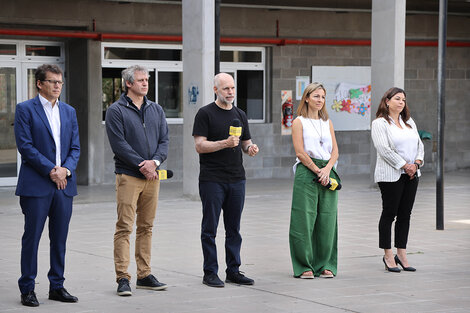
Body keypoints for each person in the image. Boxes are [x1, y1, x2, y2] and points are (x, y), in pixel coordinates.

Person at [14, 64, 80, 307]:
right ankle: (27, 288)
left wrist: (66, 170)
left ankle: (57, 286)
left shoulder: (69, 111)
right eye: (52, 81)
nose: (57, 86)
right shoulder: (25, 110)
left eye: (60, 82)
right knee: (32, 238)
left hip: (64, 185)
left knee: (59, 238)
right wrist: (52, 171)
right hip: (36, 185)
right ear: (39, 84)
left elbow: (75, 147)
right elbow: (25, 146)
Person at [105, 65, 169, 296]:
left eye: (147, 80)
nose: (145, 83)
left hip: (153, 176)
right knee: (124, 227)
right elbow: (119, 145)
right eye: (140, 80)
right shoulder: (116, 111)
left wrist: (155, 162)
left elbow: (164, 140)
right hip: (128, 176)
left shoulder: (156, 109)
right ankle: (123, 277)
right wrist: (143, 165)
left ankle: (144, 275)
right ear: (128, 84)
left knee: (146, 227)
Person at [192, 73, 259, 288]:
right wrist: (225, 143)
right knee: (209, 228)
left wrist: (250, 148)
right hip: (212, 179)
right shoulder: (205, 114)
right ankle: (210, 272)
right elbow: (200, 146)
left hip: (237, 179)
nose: (230, 92)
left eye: (232, 88)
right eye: (225, 89)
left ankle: (234, 270)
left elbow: (245, 142)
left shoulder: (240, 114)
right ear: (215, 90)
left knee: (234, 229)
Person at [289, 82, 340, 279]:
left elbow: (335, 151)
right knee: (304, 219)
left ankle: (326, 264)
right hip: (307, 171)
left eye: (323, 97)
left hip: (328, 172)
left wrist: (327, 170)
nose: (320, 100)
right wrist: (317, 170)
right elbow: (300, 152)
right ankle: (304, 266)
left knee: (327, 219)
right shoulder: (298, 122)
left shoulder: (327, 122)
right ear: (307, 98)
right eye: (316, 96)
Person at [371, 87, 424, 273]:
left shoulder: (409, 122)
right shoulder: (380, 123)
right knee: (389, 214)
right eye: (397, 99)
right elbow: (383, 149)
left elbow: (420, 145)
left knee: (405, 215)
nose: (401, 102)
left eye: (403, 99)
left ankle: (401, 254)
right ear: (387, 101)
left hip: (411, 175)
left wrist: (416, 164)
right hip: (391, 175)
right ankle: (387, 255)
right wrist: (404, 165)